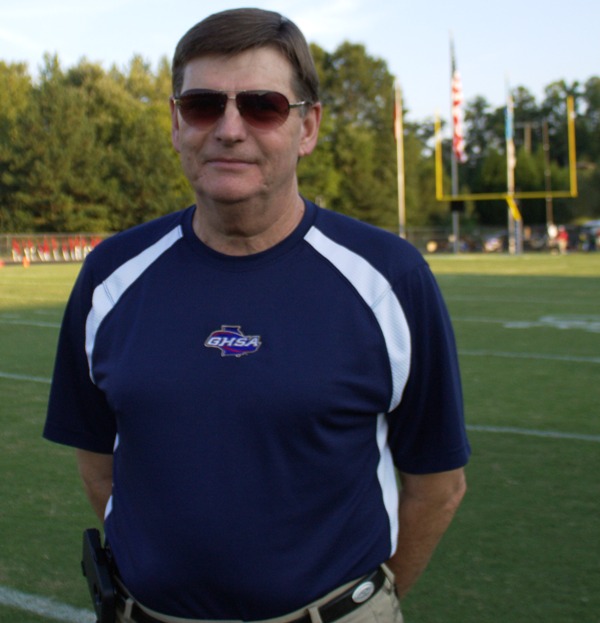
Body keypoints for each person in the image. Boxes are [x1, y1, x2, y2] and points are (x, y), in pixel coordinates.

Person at [43, 8, 469, 623]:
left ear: (308, 127)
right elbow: (100, 468)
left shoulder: (390, 278)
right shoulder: (111, 274)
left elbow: (437, 484)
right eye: (203, 105)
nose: (230, 129)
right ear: (175, 123)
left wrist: (365, 605)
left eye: (263, 105)